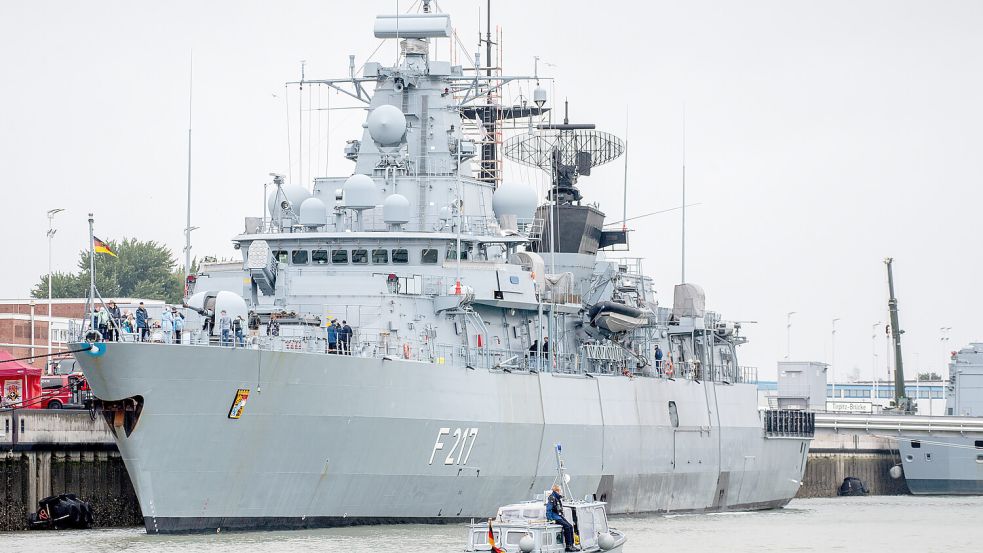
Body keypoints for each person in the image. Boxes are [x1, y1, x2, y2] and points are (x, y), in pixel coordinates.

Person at [546, 484, 576, 552]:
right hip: (555, 516)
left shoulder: (557, 497)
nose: (561, 491)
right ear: (557, 491)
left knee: (570, 526)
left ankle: (572, 544)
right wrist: (550, 519)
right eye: (560, 490)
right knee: (567, 527)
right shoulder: (552, 498)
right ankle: (568, 546)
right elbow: (548, 509)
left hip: (559, 515)